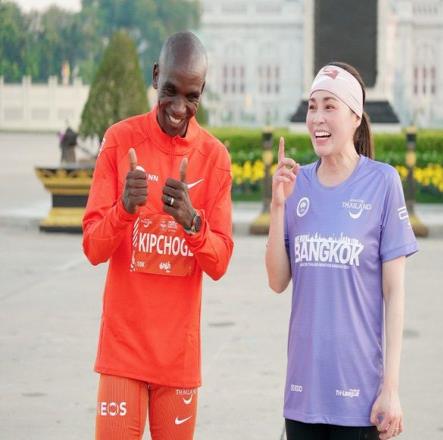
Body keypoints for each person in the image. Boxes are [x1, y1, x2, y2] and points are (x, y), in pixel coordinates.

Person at [82, 31, 233, 440]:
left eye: (191, 96)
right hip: (122, 353)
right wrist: (123, 211)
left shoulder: (214, 158)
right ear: (154, 76)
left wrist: (192, 222)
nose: (179, 108)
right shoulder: (120, 140)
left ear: (202, 92)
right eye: (170, 91)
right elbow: (93, 248)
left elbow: (219, 263)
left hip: (177, 360)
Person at [265, 62, 418, 440]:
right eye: (312, 106)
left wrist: (391, 389)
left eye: (330, 106)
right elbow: (277, 281)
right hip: (302, 392)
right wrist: (278, 206)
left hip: (359, 398)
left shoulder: (383, 182)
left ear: (355, 117)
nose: (317, 117)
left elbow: (394, 293)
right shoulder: (297, 184)